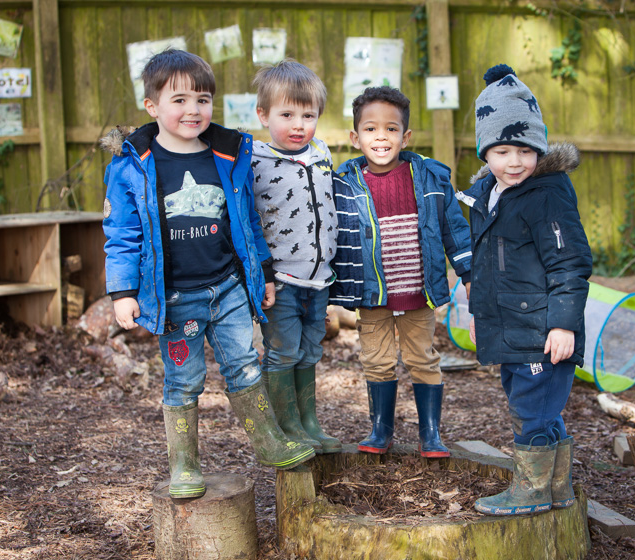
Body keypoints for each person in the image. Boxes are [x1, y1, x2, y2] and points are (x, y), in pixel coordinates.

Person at [101, 49, 314, 499]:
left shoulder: (229, 154)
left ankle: (269, 441)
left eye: (202, 99)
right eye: (179, 100)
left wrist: (265, 274)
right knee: (184, 378)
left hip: (229, 288)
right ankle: (184, 463)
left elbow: (249, 220)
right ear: (152, 107)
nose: (192, 110)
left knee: (244, 363)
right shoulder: (133, 164)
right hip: (176, 298)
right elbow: (121, 232)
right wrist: (122, 291)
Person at [459, 64, 592, 515]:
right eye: (501, 151)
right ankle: (556, 489)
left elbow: (569, 262)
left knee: (533, 410)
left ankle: (532, 492)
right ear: (484, 152)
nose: (514, 162)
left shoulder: (547, 194)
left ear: (538, 147)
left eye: (523, 149)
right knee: (535, 407)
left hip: (542, 330)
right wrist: (479, 318)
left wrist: (563, 325)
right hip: (512, 327)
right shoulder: (487, 195)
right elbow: (484, 268)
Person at [331, 86, 472, 458]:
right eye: (371, 129)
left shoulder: (429, 178)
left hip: (417, 292)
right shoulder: (344, 184)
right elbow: (333, 239)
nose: (381, 137)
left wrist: (469, 272)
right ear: (355, 137)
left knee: (422, 358)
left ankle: (431, 432)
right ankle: (381, 428)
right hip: (373, 294)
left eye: (391, 129)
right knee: (376, 360)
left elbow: (453, 229)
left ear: (405, 136)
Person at [250, 59, 341, 454]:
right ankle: (286, 425)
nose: (299, 124)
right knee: (283, 350)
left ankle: (309, 422)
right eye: (286, 115)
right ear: (263, 115)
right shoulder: (254, 162)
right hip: (282, 279)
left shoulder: (321, 155)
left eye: (308, 115)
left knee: (311, 349)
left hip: (319, 278)